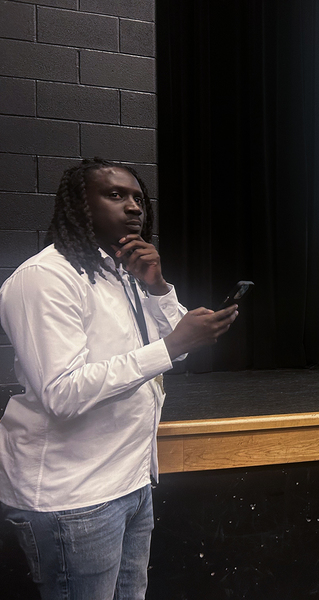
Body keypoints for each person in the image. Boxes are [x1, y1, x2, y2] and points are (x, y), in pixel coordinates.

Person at [0, 158, 238, 600]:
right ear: (79, 204)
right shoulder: (44, 278)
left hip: (129, 481)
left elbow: (175, 350)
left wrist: (159, 288)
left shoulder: (121, 274)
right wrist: (170, 347)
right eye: (115, 195)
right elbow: (62, 393)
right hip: (73, 497)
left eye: (137, 198)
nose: (133, 207)